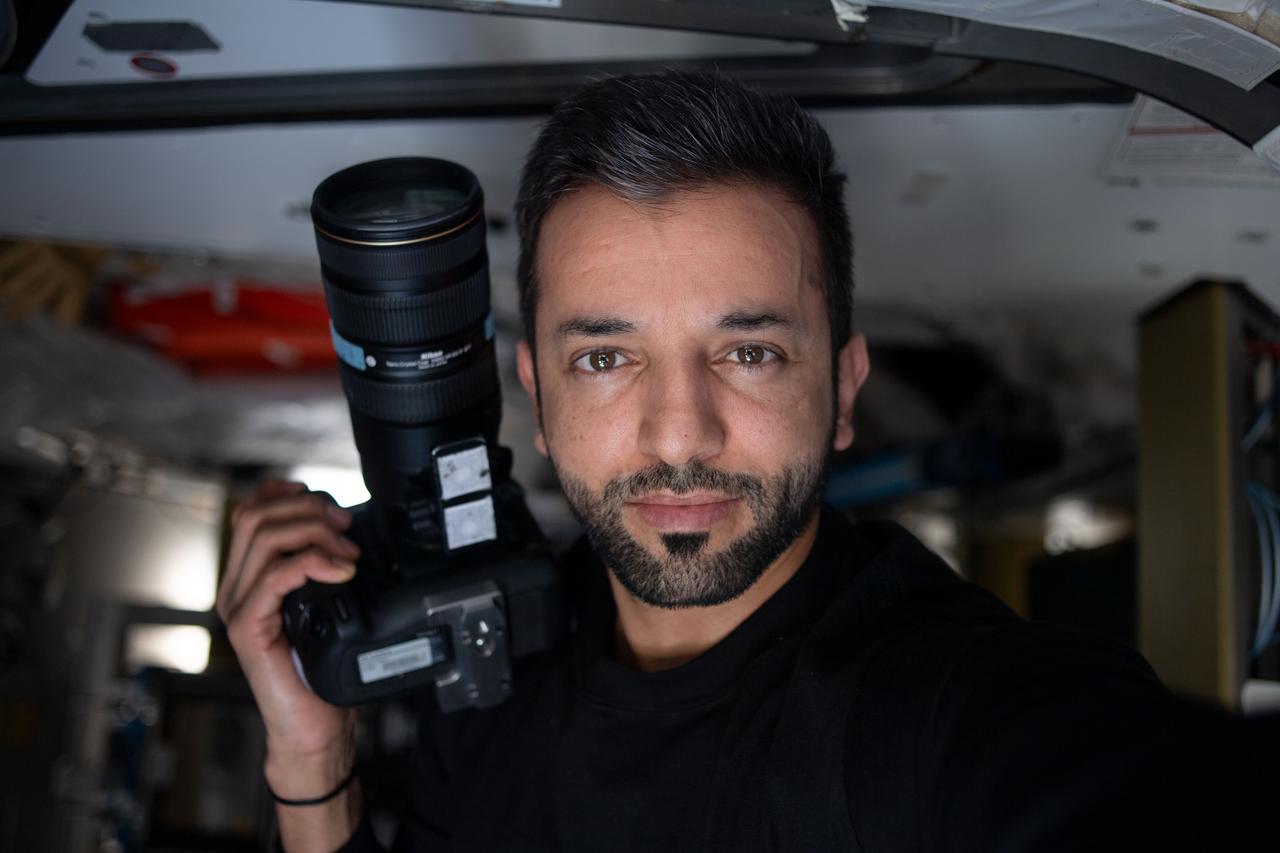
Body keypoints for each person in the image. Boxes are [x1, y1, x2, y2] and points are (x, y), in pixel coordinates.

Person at [217, 70, 1279, 852]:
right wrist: (311, 759)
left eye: (748, 351)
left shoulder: (933, 708)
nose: (678, 433)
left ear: (842, 392)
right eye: (605, 356)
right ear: (536, 402)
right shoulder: (491, 664)